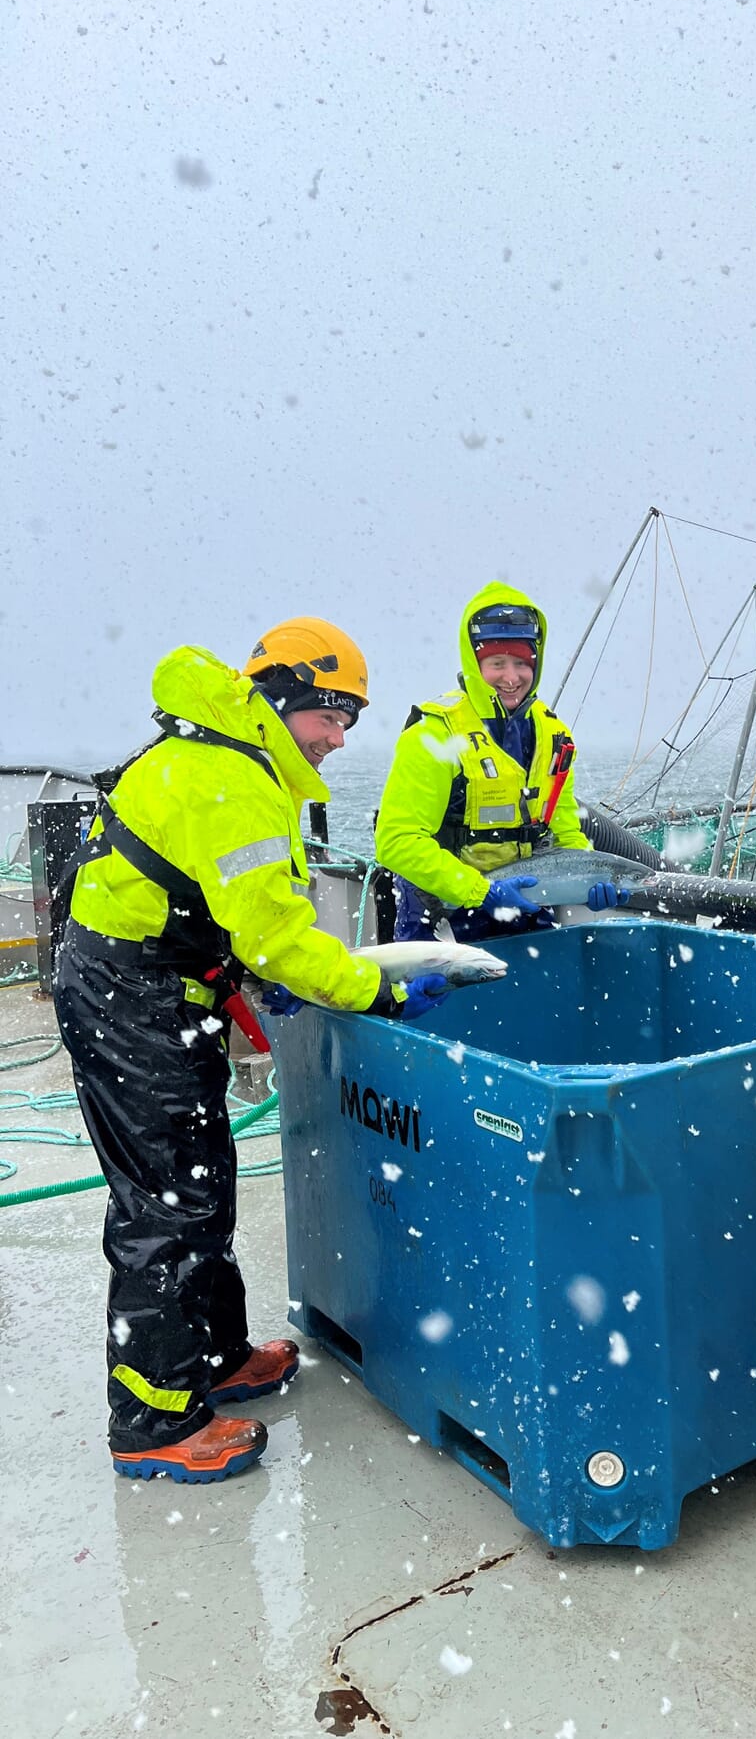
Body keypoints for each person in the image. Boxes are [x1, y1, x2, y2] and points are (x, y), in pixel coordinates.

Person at [54, 618, 453, 1485]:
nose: (340, 737)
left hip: (158, 986)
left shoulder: (225, 754)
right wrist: (372, 988)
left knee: (201, 1180)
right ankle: (153, 1421)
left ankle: (216, 1358)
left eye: (350, 720)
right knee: (167, 1209)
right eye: (330, 715)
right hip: (135, 1002)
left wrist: (241, 970)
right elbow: (277, 936)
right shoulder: (231, 779)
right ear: (281, 701)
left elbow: (218, 906)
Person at [374, 582, 623, 940]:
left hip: (526, 908)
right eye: (497, 663)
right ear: (475, 665)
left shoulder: (554, 736)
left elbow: (564, 829)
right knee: (436, 995)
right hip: (440, 913)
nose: (511, 677)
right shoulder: (433, 735)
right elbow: (396, 842)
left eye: (522, 663)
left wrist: (594, 877)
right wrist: (480, 892)